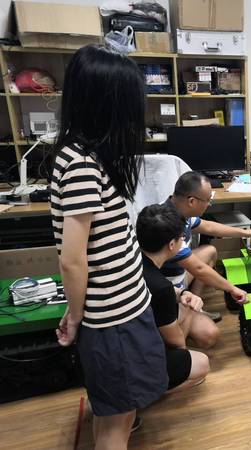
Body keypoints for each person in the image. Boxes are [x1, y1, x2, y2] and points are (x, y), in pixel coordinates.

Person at [50, 45, 167, 449]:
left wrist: (77, 308)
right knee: (118, 422)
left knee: (114, 413)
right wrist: (76, 314)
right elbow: (72, 259)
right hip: (114, 320)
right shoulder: (82, 164)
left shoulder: (83, 156)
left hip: (118, 311)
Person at [161, 171, 251, 347]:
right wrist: (232, 289)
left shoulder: (178, 210)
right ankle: (185, 315)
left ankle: (194, 308)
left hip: (179, 277)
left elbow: (209, 227)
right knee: (209, 336)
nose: (209, 204)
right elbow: (199, 269)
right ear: (192, 201)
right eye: (207, 200)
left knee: (210, 251)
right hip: (166, 291)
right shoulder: (169, 225)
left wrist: (246, 232)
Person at [136, 204, 209, 393]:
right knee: (201, 364)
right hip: (133, 364)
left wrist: (182, 293)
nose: (183, 239)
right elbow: (177, 344)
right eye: (181, 237)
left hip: (108, 352)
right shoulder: (161, 288)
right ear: (171, 245)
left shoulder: (131, 258)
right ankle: (144, 396)